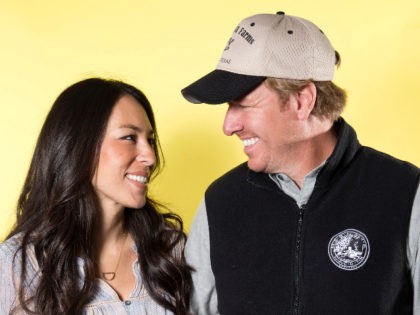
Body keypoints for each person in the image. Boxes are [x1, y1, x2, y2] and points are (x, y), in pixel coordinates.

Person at [181, 11, 420, 315]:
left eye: (242, 104)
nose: (228, 126)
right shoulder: (219, 204)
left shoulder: (406, 194)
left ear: (302, 101)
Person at [0, 78, 192, 314]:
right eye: (130, 137)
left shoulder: (172, 249)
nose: (150, 157)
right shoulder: (19, 265)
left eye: (150, 141)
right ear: (80, 146)